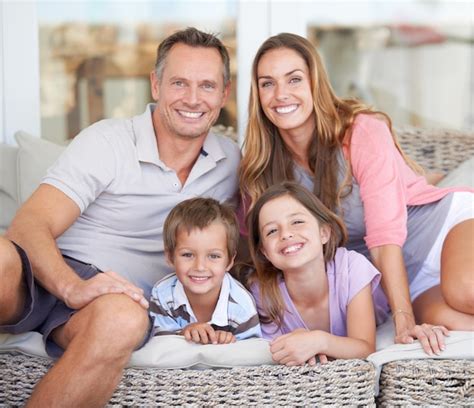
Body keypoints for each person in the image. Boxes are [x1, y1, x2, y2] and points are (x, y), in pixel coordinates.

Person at [0, 27, 240, 406]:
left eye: (207, 86)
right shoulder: (109, 140)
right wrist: (72, 287)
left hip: (115, 301)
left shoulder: (233, 163)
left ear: (224, 94)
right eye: (179, 83)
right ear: (156, 85)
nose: (193, 99)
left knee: (122, 320)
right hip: (45, 274)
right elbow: (28, 226)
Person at [239, 32, 473, 355]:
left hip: (444, 229)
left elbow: (384, 237)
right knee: (447, 318)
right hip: (412, 277)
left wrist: (403, 319)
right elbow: (258, 251)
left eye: (293, 79)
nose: (281, 94)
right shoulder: (261, 167)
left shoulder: (360, 131)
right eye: (267, 83)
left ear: (314, 82)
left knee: (464, 290)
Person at [247, 182, 392, 365]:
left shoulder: (351, 268)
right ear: (265, 252)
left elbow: (364, 348)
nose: (286, 234)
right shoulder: (263, 293)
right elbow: (279, 355)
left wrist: (317, 341)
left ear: (324, 233)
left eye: (297, 222)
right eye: (272, 231)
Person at [150, 197, 261, 344]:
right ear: (170, 257)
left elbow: (252, 354)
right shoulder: (163, 295)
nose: (200, 267)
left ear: (229, 261)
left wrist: (229, 344)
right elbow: (159, 348)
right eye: (188, 255)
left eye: (214, 256)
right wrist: (183, 334)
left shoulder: (241, 306)